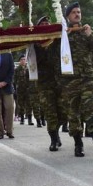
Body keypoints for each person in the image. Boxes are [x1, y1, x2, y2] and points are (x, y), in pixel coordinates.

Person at [61, 2, 93, 157]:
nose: (77, 14)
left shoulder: (86, 31)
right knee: (73, 112)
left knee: (90, 108)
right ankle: (78, 144)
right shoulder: (63, 34)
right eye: (74, 12)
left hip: (88, 77)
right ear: (68, 16)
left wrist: (90, 35)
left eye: (79, 12)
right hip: (70, 80)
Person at [34, 16, 67, 152]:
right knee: (50, 112)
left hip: (59, 82)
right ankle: (53, 139)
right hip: (44, 83)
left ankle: (56, 131)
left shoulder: (57, 41)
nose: (46, 25)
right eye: (43, 24)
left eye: (48, 24)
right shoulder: (35, 43)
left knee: (64, 111)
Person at [14, 54, 29, 125]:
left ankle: (29, 119)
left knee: (28, 104)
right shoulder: (17, 70)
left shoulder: (28, 68)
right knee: (20, 104)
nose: (23, 61)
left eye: (24, 59)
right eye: (22, 59)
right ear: (19, 61)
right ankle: (22, 118)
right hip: (20, 89)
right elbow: (14, 80)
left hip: (27, 89)